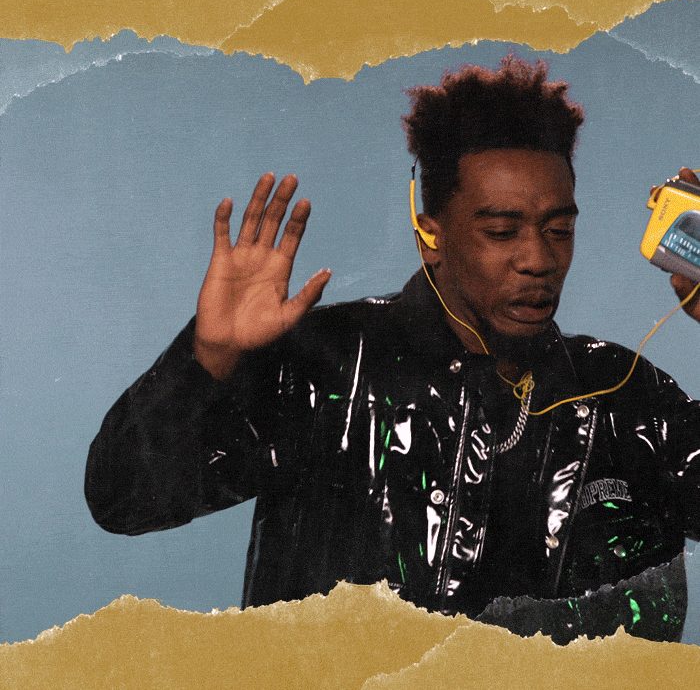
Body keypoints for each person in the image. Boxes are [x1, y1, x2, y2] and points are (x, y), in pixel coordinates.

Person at [85, 55, 700, 645]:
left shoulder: (625, 395)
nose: (538, 259)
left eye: (559, 230)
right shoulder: (326, 365)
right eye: (500, 231)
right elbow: (124, 498)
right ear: (430, 234)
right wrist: (208, 359)